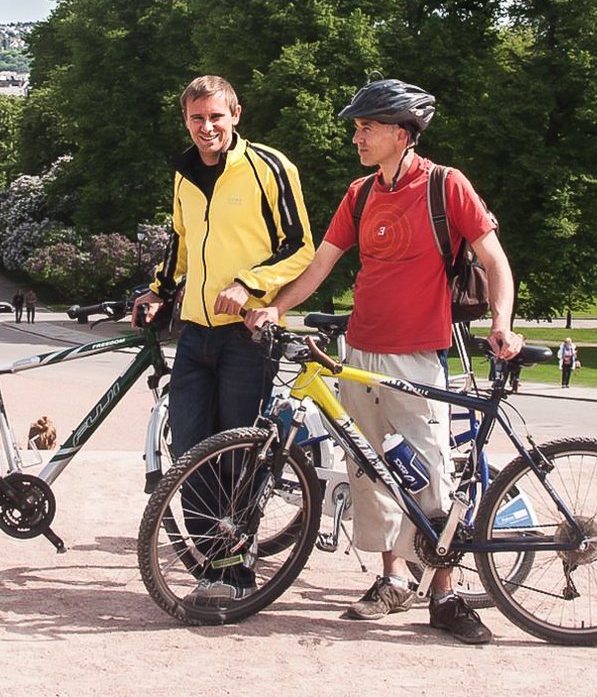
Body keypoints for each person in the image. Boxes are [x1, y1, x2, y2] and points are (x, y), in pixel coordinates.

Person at [246, 78, 523, 645]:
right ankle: (393, 579)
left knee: (430, 469)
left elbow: (495, 260)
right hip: (359, 351)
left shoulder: (446, 186)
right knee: (369, 468)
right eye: (357, 128)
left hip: (418, 353)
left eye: (367, 127)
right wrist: (276, 307)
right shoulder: (360, 194)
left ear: (402, 133)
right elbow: (322, 264)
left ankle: (444, 593)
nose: (357, 137)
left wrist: (502, 323)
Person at [133, 75, 315, 606]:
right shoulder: (184, 172)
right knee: (189, 452)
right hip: (195, 332)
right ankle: (213, 563)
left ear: (236, 114)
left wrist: (249, 284)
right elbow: (181, 242)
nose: (207, 127)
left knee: (240, 456)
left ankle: (236, 574)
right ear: (185, 120)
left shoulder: (270, 167)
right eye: (197, 118)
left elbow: (299, 247)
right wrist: (159, 290)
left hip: (248, 335)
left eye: (216, 116)